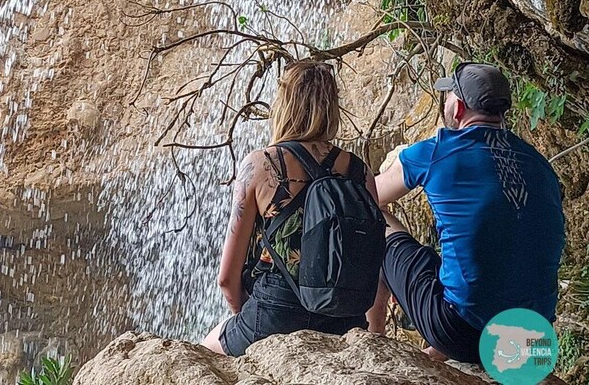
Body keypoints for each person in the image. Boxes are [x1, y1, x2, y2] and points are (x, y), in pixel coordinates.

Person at [371, 62, 566, 363]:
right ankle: (438, 353)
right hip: (533, 344)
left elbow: (367, 197)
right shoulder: (539, 164)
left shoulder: (437, 150)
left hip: (463, 333)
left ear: (459, 108)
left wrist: (399, 162)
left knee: (373, 221)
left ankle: (374, 351)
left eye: (448, 96)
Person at [201, 61, 383, 356]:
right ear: (331, 107)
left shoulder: (260, 165)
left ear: (284, 104)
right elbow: (372, 259)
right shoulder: (360, 171)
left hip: (274, 312)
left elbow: (226, 278)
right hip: (344, 318)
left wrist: (244, 316)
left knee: (203, 353)